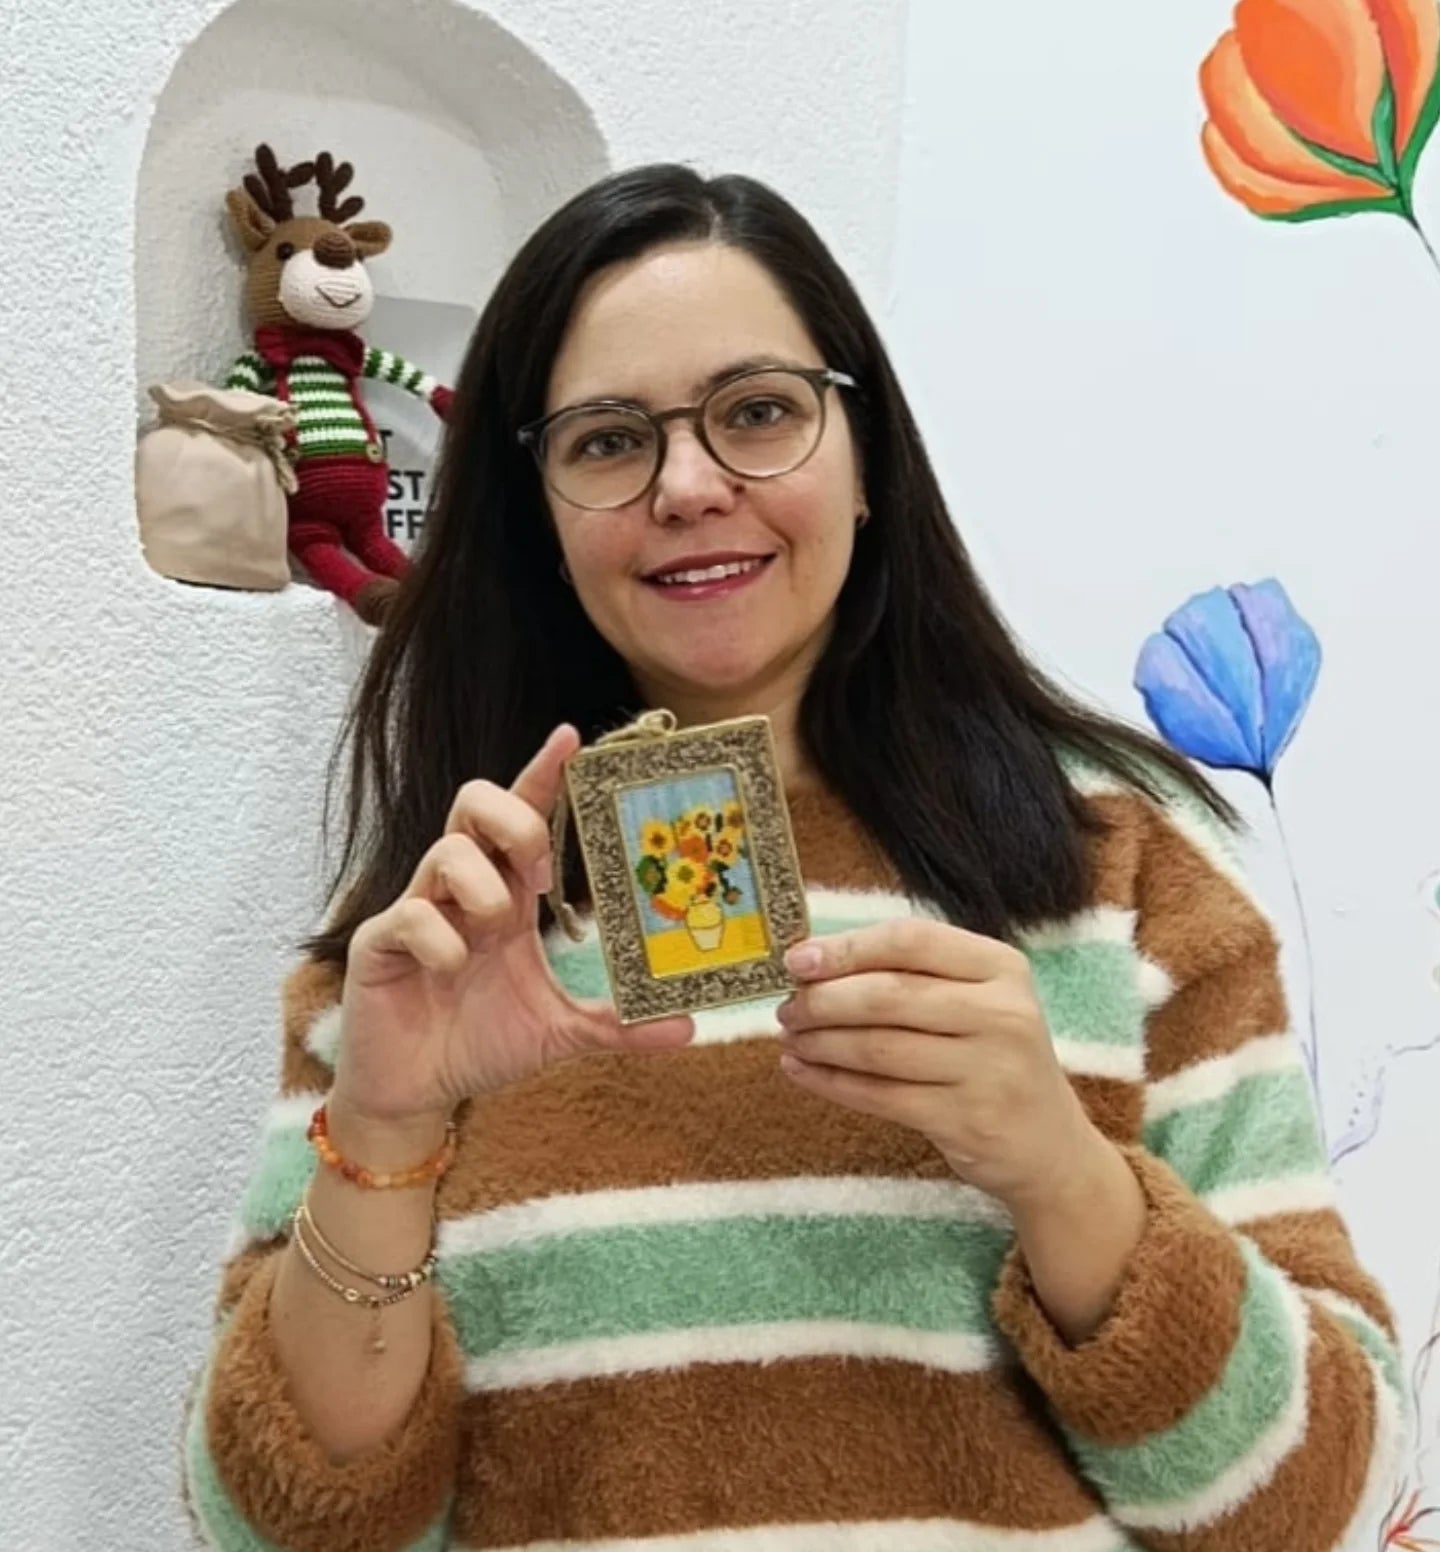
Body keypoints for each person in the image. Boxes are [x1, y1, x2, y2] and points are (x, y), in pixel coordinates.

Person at [183, 164, 1404, 1552]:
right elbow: (280, 1533)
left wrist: (1064, 1171)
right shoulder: (441, 936)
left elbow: (1325, 1505)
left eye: (759, 412)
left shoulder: (1121, 872)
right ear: (537, 515)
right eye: (607, 441)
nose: (690, 486)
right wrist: (385, 1135)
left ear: (866, 457)